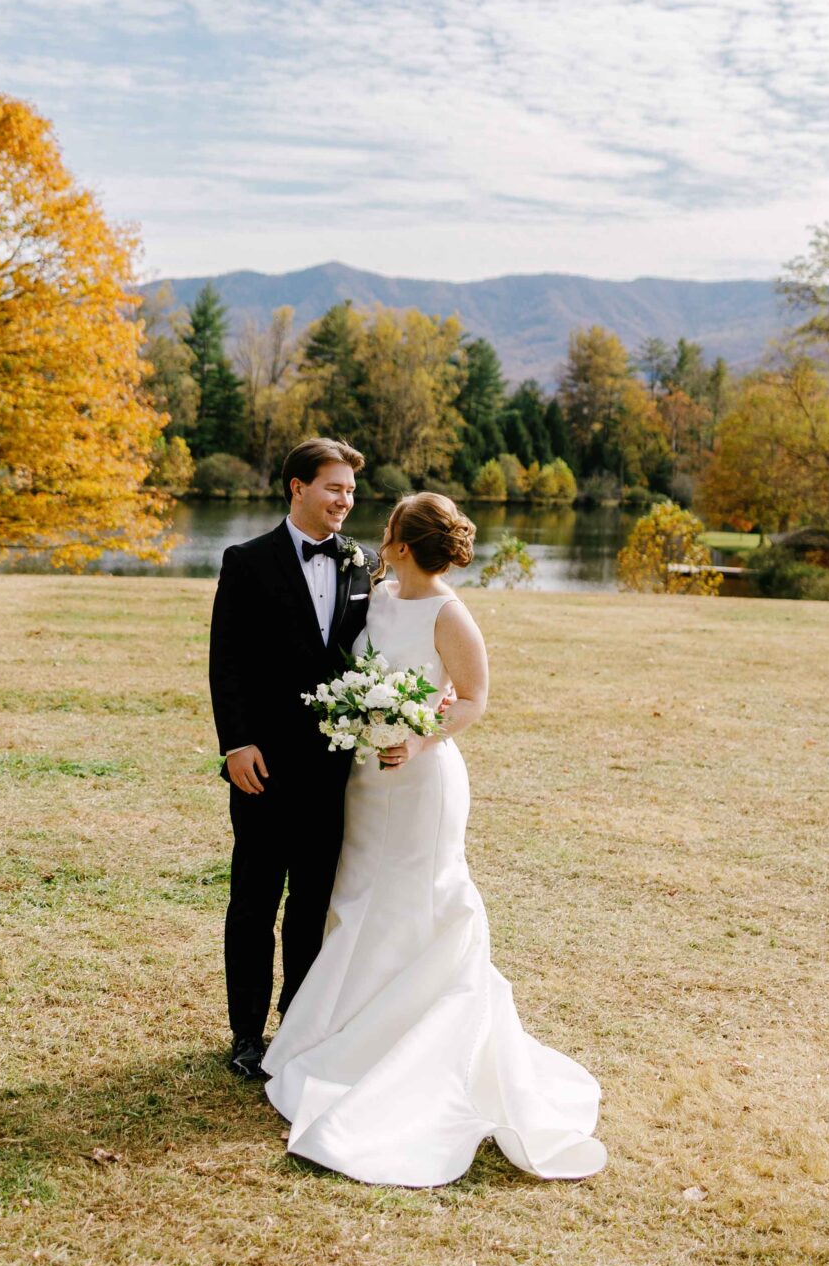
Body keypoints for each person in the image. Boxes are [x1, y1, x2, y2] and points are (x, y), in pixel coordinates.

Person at [262, 491, 608, 1188]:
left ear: (399, 541)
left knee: (417, 900)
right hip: (366, 777)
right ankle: (342, 1033)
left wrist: (419, 739)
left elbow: (475, 696)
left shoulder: (451, 613)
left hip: (421, 781)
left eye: (388, 527)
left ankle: (411, 1044)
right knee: (358, 897)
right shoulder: (376, 594)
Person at [207, 438, 376, 1080]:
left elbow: (373, 649)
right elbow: (228, 660)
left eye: (351, 491)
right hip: (263, 764)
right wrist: (236, 742)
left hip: (333, 769)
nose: (344, 500)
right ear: (297, 488)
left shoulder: (363, 565)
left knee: (313, 903)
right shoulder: (246, 561)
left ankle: (297, 1027)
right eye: (334, 487)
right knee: (254, 900)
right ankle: (246, 1035)